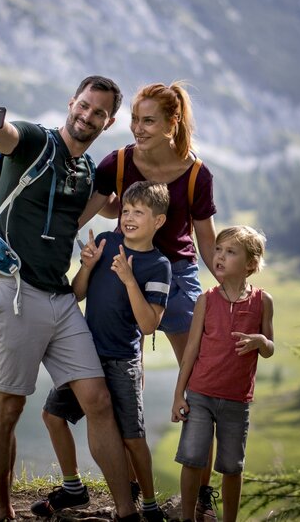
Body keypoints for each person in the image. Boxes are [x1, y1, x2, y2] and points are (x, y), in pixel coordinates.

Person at [0, 76, 141, 522]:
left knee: (96, 400)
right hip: (12, 289)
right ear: (71, 103)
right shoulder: (35, 140)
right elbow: (1, 132)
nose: (87, 116)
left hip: (60, 297)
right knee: (10, 405)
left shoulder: (88, 171)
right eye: (83, 106)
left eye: (98, 113)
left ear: (109, 121)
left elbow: (112, 205)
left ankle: (127, 511)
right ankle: (3, 512)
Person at [79, 80, 220, 519]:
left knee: (198, 385)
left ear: (172, 124)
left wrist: (236, 290)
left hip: (175, 277)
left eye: (148, 121)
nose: (137, 128)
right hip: (121, 268)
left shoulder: (197, 175)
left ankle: (200, 494)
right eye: (135, 119)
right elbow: (85, 213)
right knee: (126, 387)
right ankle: (138, 487)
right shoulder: (117, 162)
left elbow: (206, 242)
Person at [31, 181, 172, 521]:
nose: (129, 217)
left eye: (139, 212)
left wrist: (128, 279)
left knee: (132, 438)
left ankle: (149, 504)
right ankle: (72, 486)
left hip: (122, 360)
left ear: (159, 221)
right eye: (125, 210)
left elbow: (150, 324)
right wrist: (89, 265)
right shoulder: (107, 242)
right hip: (85, 354)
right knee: (52, 416)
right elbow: (76, 294)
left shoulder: (158, 265)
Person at [170, 226, 275, 522]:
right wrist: (179, 394)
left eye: (230, 252)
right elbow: (190, 349)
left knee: (232, 467)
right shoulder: (205, 300)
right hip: (200, 394)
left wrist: (260, 341)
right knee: (191, 460)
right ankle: (188, 518)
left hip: (237, 400)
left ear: (250, 265)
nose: (219, 256)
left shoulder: (263, 301)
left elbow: (269, 348)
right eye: (218, 249)